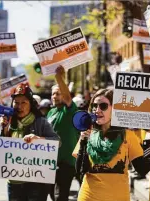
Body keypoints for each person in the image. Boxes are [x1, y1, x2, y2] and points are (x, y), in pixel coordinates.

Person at [75, 89, 150, 201]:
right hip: (89, 197)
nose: (97, 110)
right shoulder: (87, 133)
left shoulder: (127, 135)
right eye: (94, 106)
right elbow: (79, 171)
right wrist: (83, 141)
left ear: (114, 109)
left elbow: (141, 169)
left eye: (103, 106)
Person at [0, 83, 60, 201]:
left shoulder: (41, 122)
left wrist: (38, 139)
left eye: (23, 102)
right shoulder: (8, 121)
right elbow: (2, 150)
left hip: (35, 183)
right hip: (14, 182)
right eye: (16, 102)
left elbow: (57, 142)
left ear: (30, 104)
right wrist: (4, 129)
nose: (19, 106)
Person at [47, 66, 80, 201]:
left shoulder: (69, 110)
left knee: (62, 195)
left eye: (58, 93)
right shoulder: (50, 112)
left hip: (66, 162)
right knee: (50, 193)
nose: (55, 96)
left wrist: (58, 78)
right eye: (53, 93)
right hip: (50, 161)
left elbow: (67, 97)